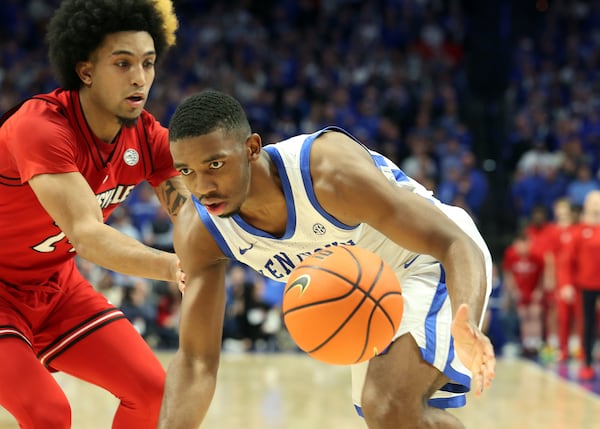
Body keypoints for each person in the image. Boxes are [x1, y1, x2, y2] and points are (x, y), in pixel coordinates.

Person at [159, 90, 495, 429]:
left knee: (387, 404)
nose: (202, 186)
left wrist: (464, 317)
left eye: (215, 164)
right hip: (368, 292)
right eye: (186, 171)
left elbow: (453, 241)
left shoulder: (328, 171)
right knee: (397, 418)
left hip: (429, 258)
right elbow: (195, 361)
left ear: (251, 148)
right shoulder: (199, 230)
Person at [0, 1, 188, 428]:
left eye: (148, 63)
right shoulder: (40, 127)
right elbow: (88, 235)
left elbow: (190, 212)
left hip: (56, 286)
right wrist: (176, 267)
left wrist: (203, 250)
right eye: (122, 63)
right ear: (85, 71)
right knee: (49, 412)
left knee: (153, 391)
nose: (139, 78)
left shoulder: (148, 135)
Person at [564, 190, 600, 381]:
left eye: (598, 202)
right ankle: (587, 364)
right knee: (587, 324)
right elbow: (569, 261)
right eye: (592, 202)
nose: (596, 205)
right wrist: (567, 284)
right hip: (586, 285)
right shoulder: (579, 231)